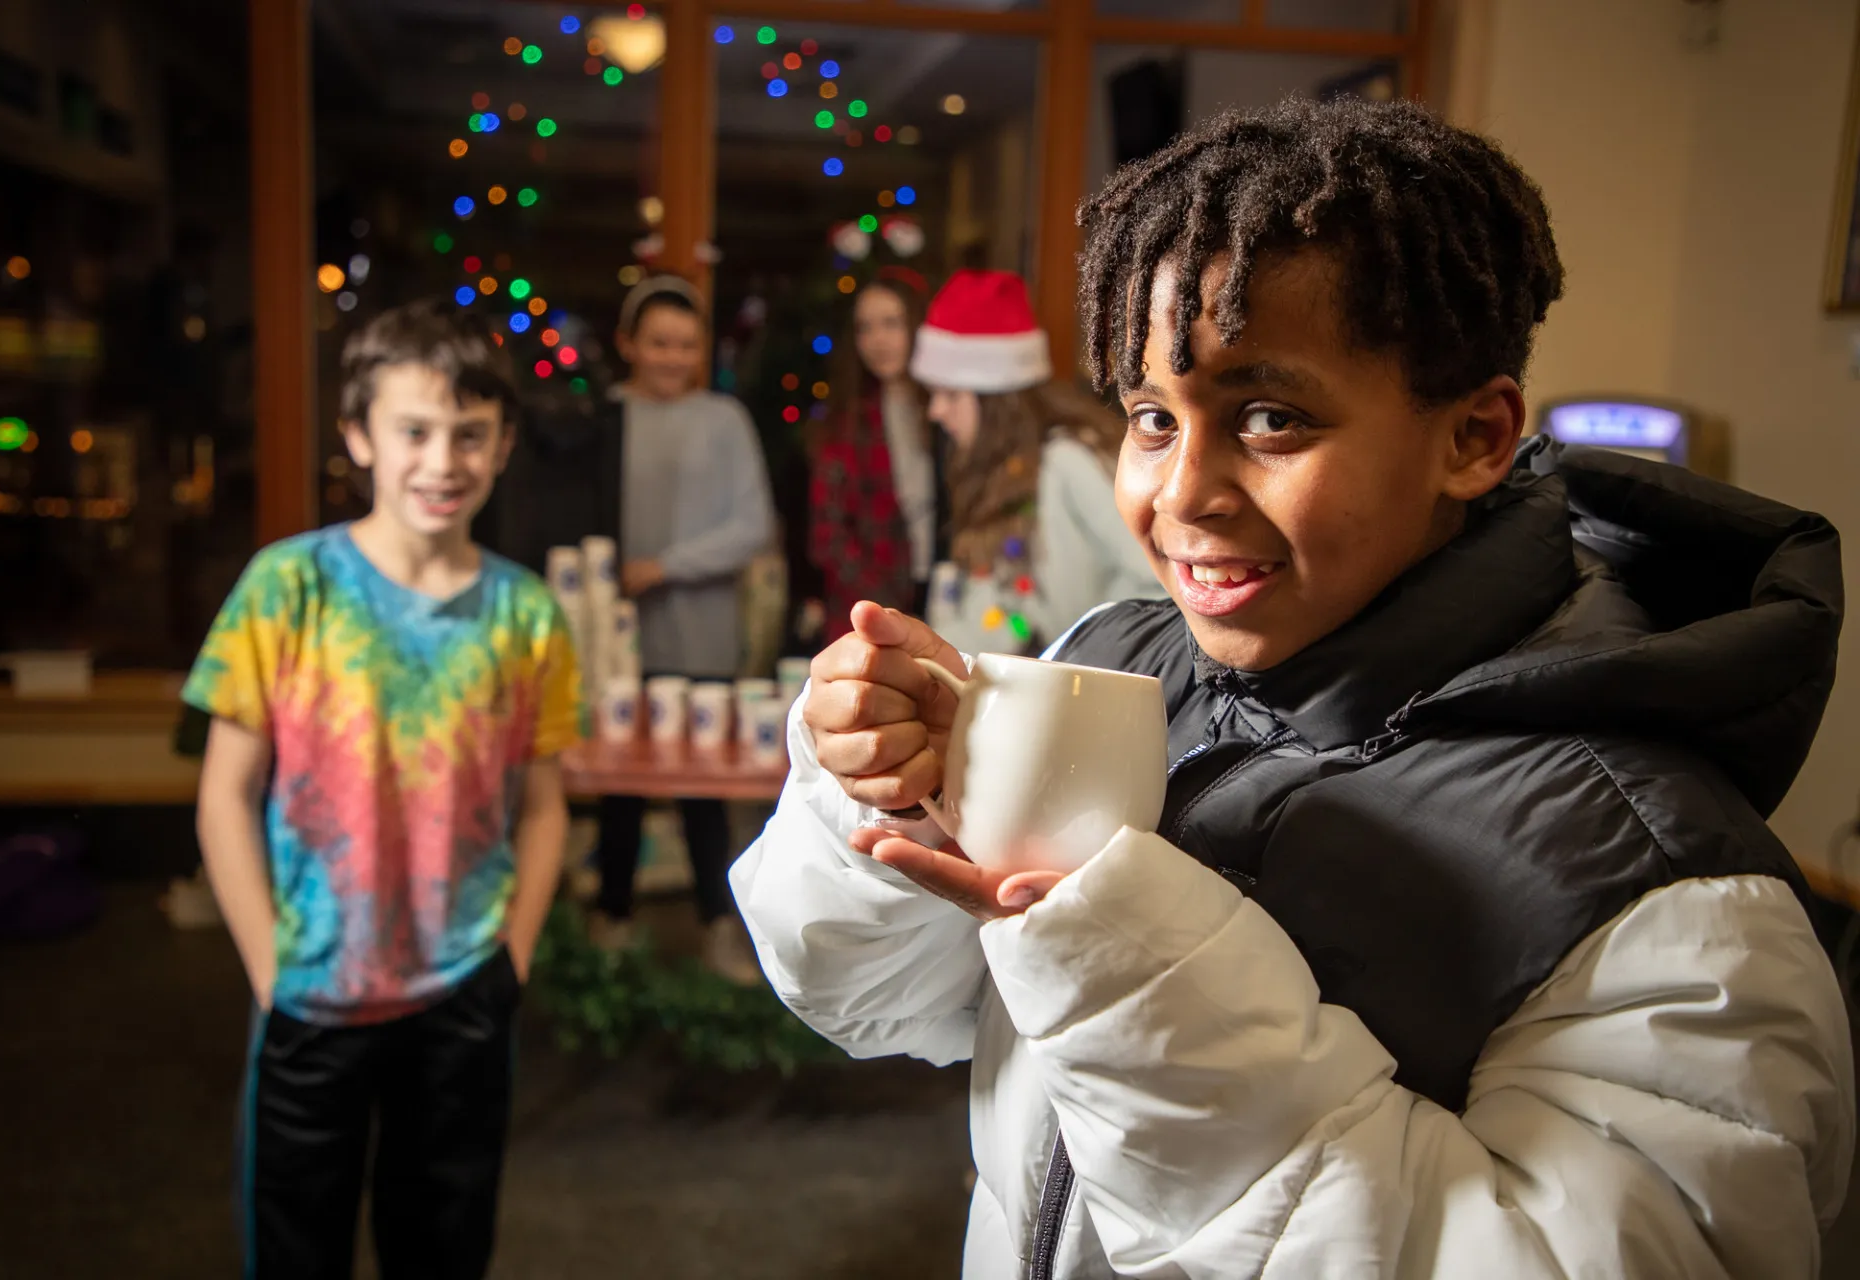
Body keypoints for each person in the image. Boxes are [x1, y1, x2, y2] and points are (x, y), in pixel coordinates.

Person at [731, 99, 1855, 1277]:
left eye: (1272, 418)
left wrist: (1129, 965)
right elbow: (868, 998)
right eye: (1154, 418)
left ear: (1475, 436)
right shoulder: (1117, 667)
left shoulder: (1668, 894)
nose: (1183, 493)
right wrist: (891, 797)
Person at [187, 299, 578, 1279]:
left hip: (462, 995)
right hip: (313, 989)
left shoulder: (527, 613)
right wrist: (270, 968)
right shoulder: (287, 585)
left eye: (469, 435)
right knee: (295, 1249)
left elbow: (542, 805)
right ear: (360, 435)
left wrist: (512, 956)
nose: (441, 460)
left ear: (502, 445)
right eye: (414, 430)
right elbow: (224, 792)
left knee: (442, 1247)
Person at [598, 276, 773, 981]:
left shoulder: (724, 420)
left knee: (705, 791)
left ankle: (714, 924)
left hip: (701, 635)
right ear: (628, 345)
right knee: (618, 787)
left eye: (687, 345)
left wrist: (663, 567)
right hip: (614, 638)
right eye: (659, 343)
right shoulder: (603, 418)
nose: (673, 357)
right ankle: (610, 921)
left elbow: (751, 527)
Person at [911, 269, 1164, 657]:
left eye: (949, 394)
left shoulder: (1067, 461)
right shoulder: (1005, 471)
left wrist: (1089, 646)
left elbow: (1157, 576)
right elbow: (1006, 609)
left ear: (995, 398)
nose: (936, 411)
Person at [805, 271, 935, 642]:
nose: (878, 340)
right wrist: (883, 604)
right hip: (874, 605)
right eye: (865, 328)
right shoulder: (844, 420)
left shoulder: (945, 408)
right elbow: (828, 536)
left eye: (891, 323)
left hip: (948, 592)